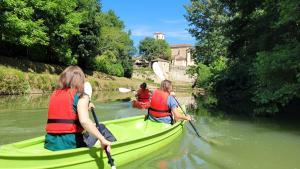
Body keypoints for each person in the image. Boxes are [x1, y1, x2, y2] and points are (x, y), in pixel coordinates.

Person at [44, 66, 111, 151]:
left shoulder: (55, 94)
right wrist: (102, 139)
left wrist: (86, 105)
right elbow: (84, 121)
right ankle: (109, 143)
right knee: (101, 127)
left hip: (50, 142)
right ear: (80, 80)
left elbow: (68, 110)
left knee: (93, 128)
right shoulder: (82, 96)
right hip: (70, 143)